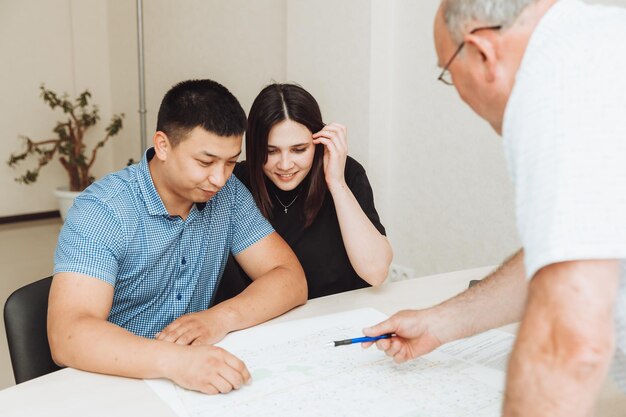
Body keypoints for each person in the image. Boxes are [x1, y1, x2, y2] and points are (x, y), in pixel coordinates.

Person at [363, 0, 626, 415]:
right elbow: (558, 254)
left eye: (448, 71)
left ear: (482, 52)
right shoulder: (597, 43)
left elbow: (568, 343)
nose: (458, 92)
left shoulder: (555, 86)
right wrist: (440, 322)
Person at [48, 79, 308, 395]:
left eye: (229, 163)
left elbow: (290, 279)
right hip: (114, 381)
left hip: (188, 380)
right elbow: (68, 335)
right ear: (163, 145)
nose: (219, 178)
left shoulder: (228, 196)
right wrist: (177, 362)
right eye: (205, 161)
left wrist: (218, 319)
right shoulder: (103, 210)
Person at [215, 83, 392, 301]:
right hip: (264, 321)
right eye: (271, 151)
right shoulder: (236, 182)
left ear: (318, 142)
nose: (285, 164)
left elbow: (376, 272)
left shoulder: (346, 173)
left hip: (337, 316)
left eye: (299, 150)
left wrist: (336, 182)